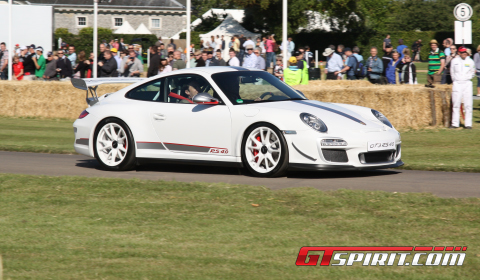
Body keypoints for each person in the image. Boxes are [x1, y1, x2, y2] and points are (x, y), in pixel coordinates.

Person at [450, 46, 475, 129]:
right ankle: (455, 123)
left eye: (465, 52)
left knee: (468, 104)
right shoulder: (454, 61)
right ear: (459, 53)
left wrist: (467, 78)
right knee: (456, 103)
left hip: (467, 83)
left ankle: (468, 124)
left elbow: (472, 72)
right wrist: (455, 80)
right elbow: (452, 72)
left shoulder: (470, 61)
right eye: (462, 52)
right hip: (457, 83)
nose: (464, 54)